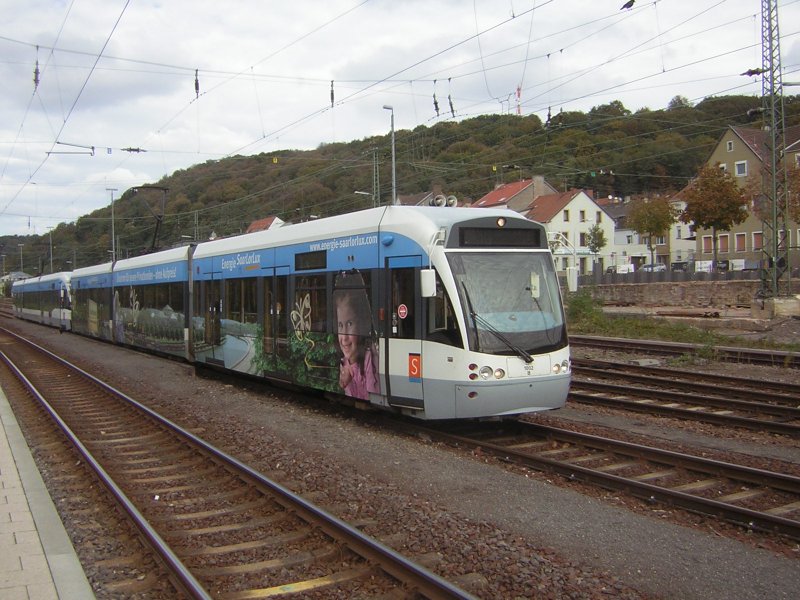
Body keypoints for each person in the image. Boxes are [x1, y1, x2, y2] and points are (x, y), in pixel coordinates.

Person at [334, 273, 379, 400]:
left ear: (362, 323)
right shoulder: (345, 362)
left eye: (350, 323)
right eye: (340, 325)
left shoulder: (370, 358)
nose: (344, 337)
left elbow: (371, 396)